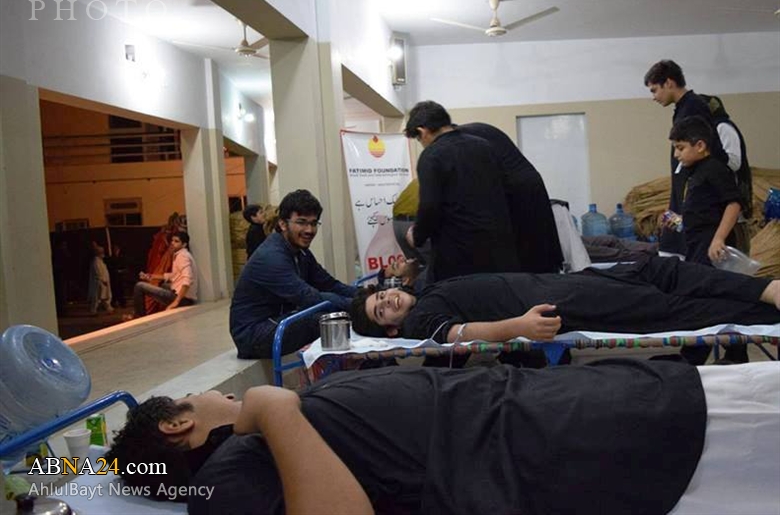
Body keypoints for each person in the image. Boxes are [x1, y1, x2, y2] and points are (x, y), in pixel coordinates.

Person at [104, 360, 780, 515]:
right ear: (178, 424)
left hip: (547, 416)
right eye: (203, 397)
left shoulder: (252, 454)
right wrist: (271, 406)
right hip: (556, 440)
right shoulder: (228, 476)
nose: (220, 396)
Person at [350, 255, 780, 343]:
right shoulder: (419, 322)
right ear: (390, 330)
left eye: (382, 295)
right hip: (564, 303)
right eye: (381, 310)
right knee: (669, 309)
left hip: (567, 282)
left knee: (659, 269)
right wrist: (519, 326)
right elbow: (460, 334)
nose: (388, 300)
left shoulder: (424, 291)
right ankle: (765, 307)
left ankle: (766, 289)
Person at [230, 189, 357, 359]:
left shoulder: (300, 251)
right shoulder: (271, 256)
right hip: (253, 335)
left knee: (337, 313)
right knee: (328, 320)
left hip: (279, 320)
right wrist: (362, 306)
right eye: (302, 222)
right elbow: (310, 298)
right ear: (283, 224)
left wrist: (366, 294)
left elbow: (329, 284)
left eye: (313, 223)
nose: (309, 230)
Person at [403, 101, 518, 283]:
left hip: (459, 252)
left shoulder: (432, 155)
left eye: (419, 139)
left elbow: (430, 206)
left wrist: (417, 236)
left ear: (422, 131)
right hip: (500, 247)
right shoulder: (484, 146)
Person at [457, 122, 564, 273]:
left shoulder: (463, 140)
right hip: (527, 187)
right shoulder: (474, 131)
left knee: (526, 255)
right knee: (537, 251)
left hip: (517, 193)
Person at [644, 60, 721, 256]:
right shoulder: (683, 108)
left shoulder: (693, 107)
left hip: (693, 193)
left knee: (684, 251)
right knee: (672, 243)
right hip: (684, 191)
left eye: (654, 90)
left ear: (669, 83)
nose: (653, 97)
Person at [667, 116, 742, 265]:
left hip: (711, 243)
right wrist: (679, 221)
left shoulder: (715, 169)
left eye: (681, 148)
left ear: (700, 146)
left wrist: (719, 238)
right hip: (695, 243)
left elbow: (734, 204)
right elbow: (701, 209)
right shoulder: (693, 171)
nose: (676, 154)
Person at [700, 93, 754, 254]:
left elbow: (735, 162)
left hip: (729, 201)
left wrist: (710, 156)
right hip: (716, 209)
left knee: (735, 256)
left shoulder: (722, 127)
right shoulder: (707, 131)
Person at [133, 231, 198, 317]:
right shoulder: (180, 254)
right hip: (181, 296)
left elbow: (187, 280)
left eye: (176, 241)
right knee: (162, 284)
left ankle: (139, 317)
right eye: (172, 240)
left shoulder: (183, 256)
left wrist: (176, 302)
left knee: (139, 286)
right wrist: (151, 276)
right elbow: (173, 276)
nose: (172, 243)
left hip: (183, 299)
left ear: (184, 245)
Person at [87, 244, 112, 314]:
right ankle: (93, 310)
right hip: (98, 283)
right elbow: (98, 272)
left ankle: (108, 308)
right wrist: (103, 280)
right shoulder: (96, 261)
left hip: (103, 282)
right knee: (97, 297)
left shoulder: (100, 261)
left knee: (104, 297)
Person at [105, 243, 128, 308]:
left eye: (117, 249)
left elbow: (125, 267)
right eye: (115, 249)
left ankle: (122, 303)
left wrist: (121, 271)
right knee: (114, 291)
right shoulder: (111, 258)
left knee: (121, 291)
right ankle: (114, 303)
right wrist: (115, 271)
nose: (116, 251)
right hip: (114, 278)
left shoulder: (121, 258)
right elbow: (110, 268)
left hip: (120, 278)